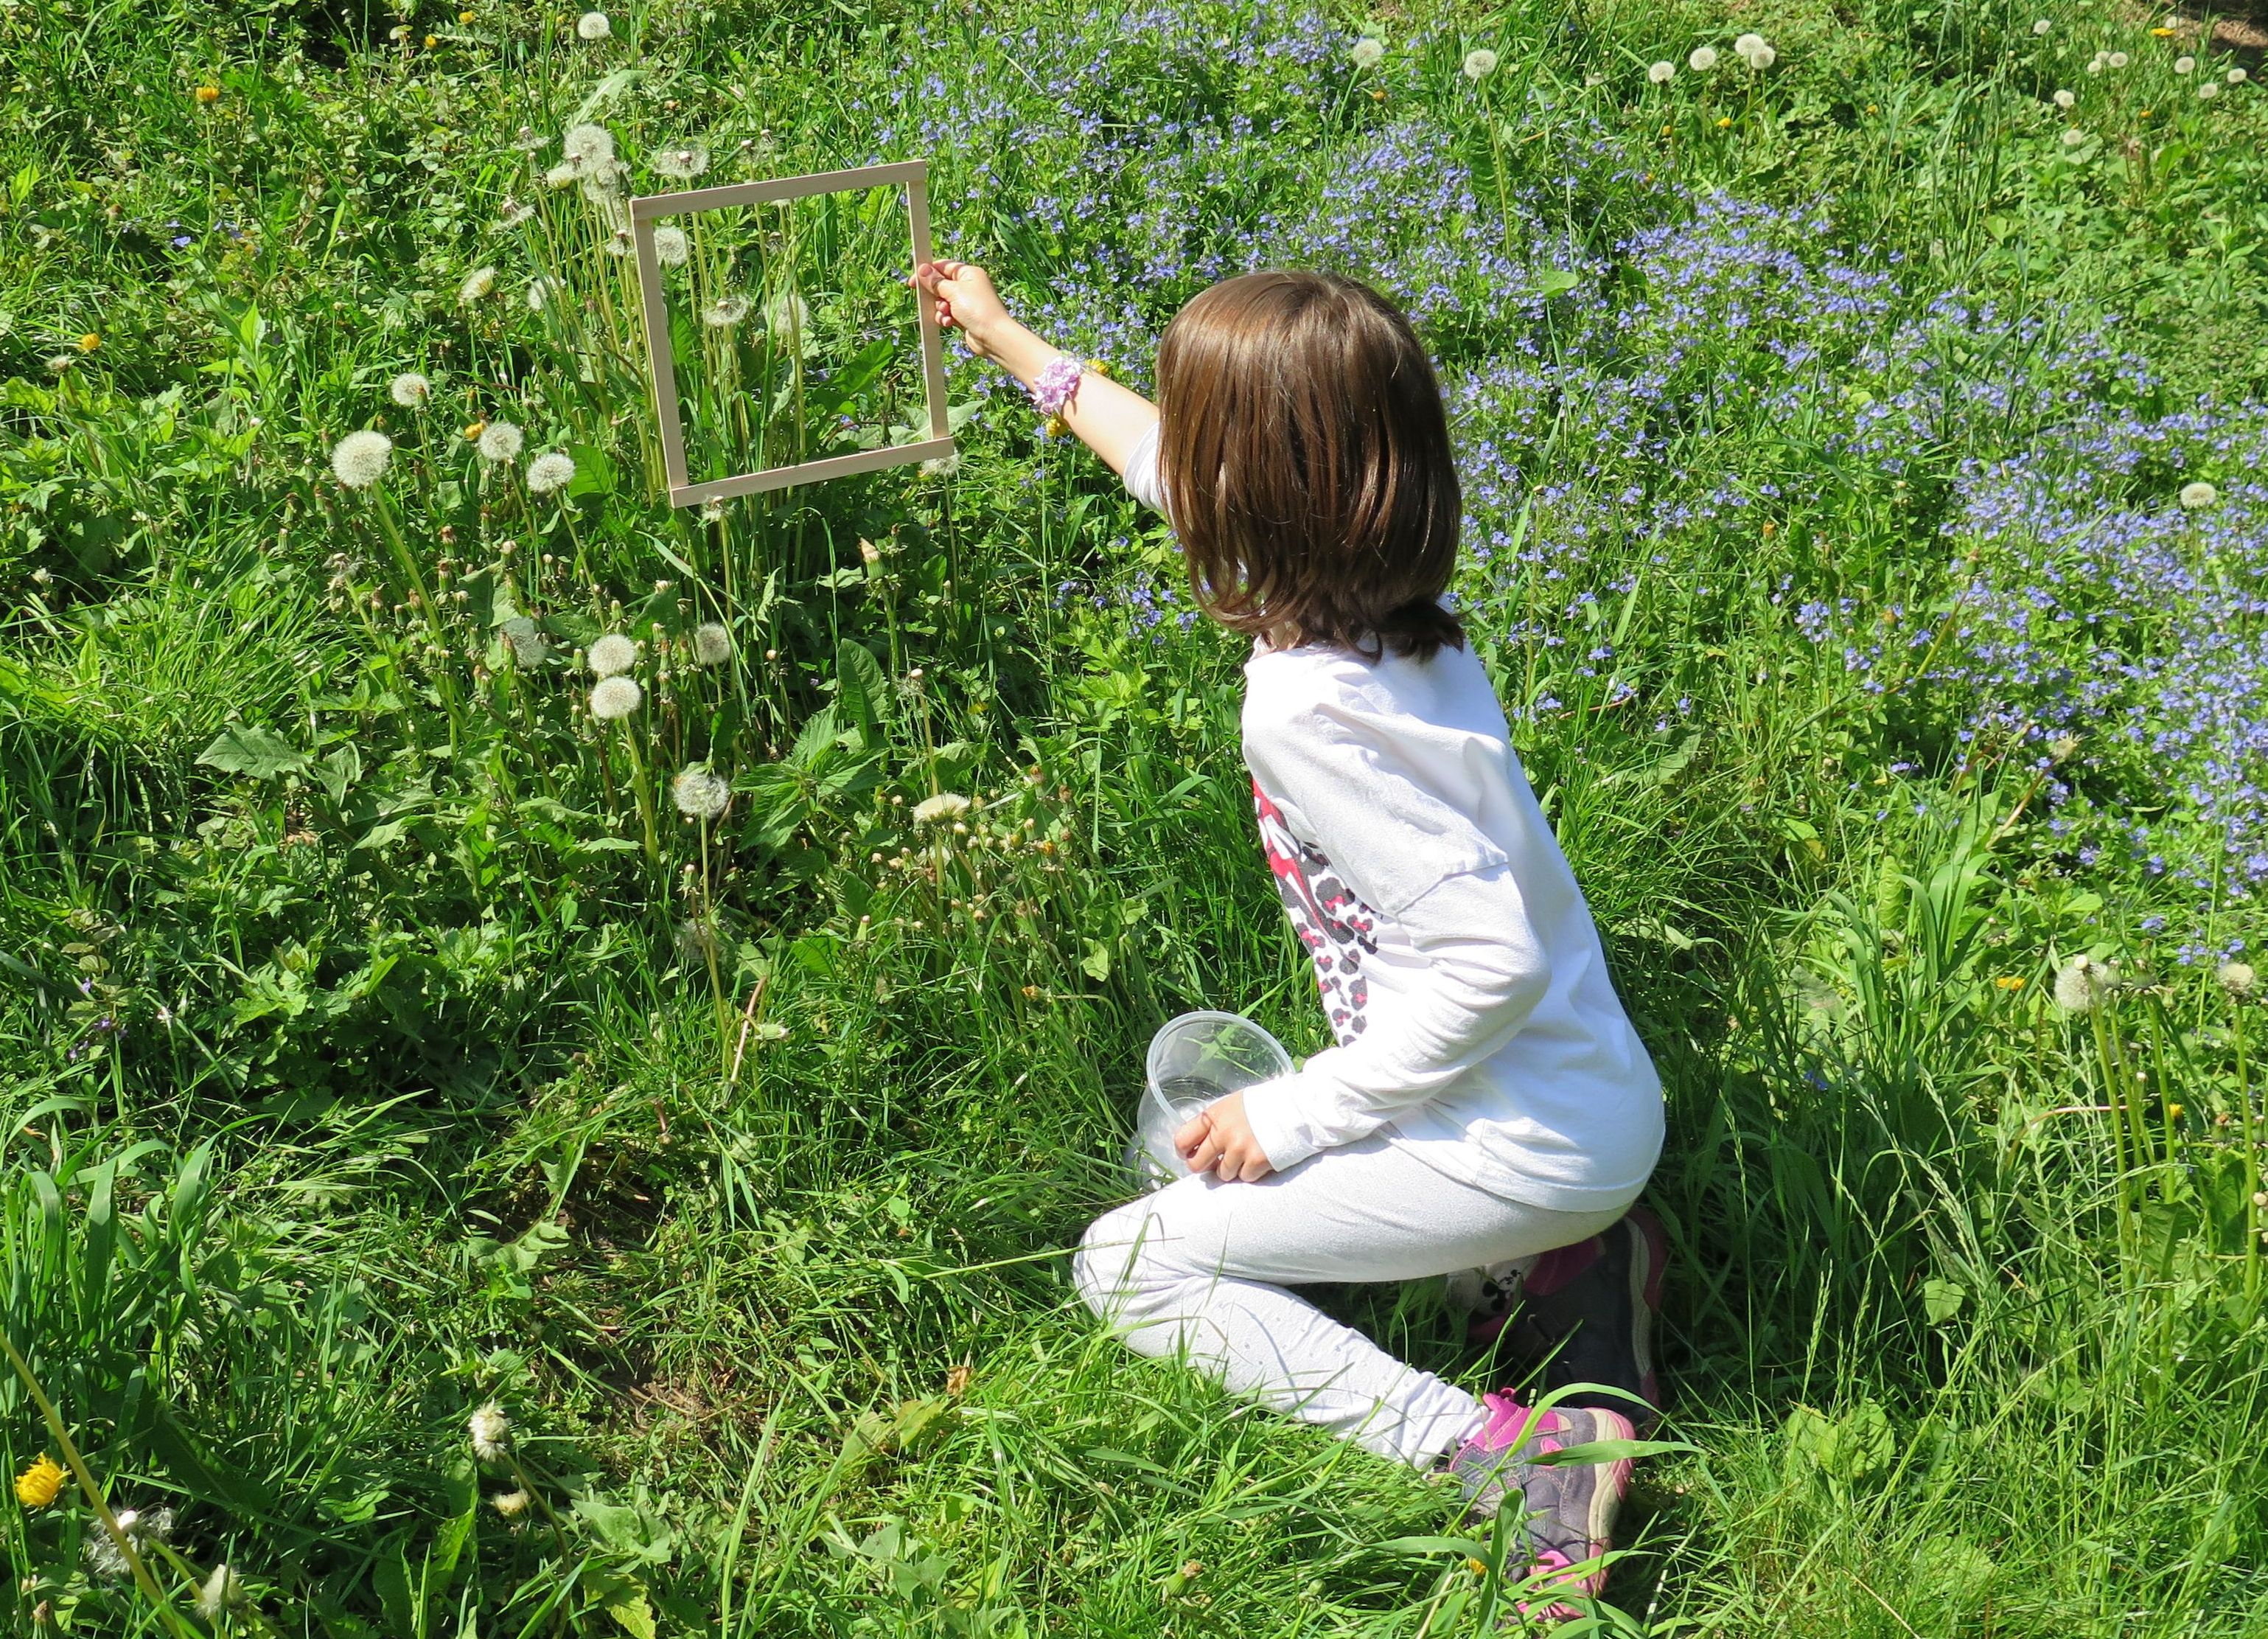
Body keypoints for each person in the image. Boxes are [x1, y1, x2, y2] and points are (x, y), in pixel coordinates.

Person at [912, 259, 1668, 1614]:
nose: (1182, 468)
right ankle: (1559, 1266)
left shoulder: (1306, 710)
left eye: (1207, 440)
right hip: (1582, 1092)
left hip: (1526, 1132)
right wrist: (1006, 339)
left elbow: (1485, 962)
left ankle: (1502, 1454)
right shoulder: (1392, 626)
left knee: (1128, 1264)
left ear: (1258, 488)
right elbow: (1158, 461)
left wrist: (1295, 1113)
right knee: (1256, 1210)